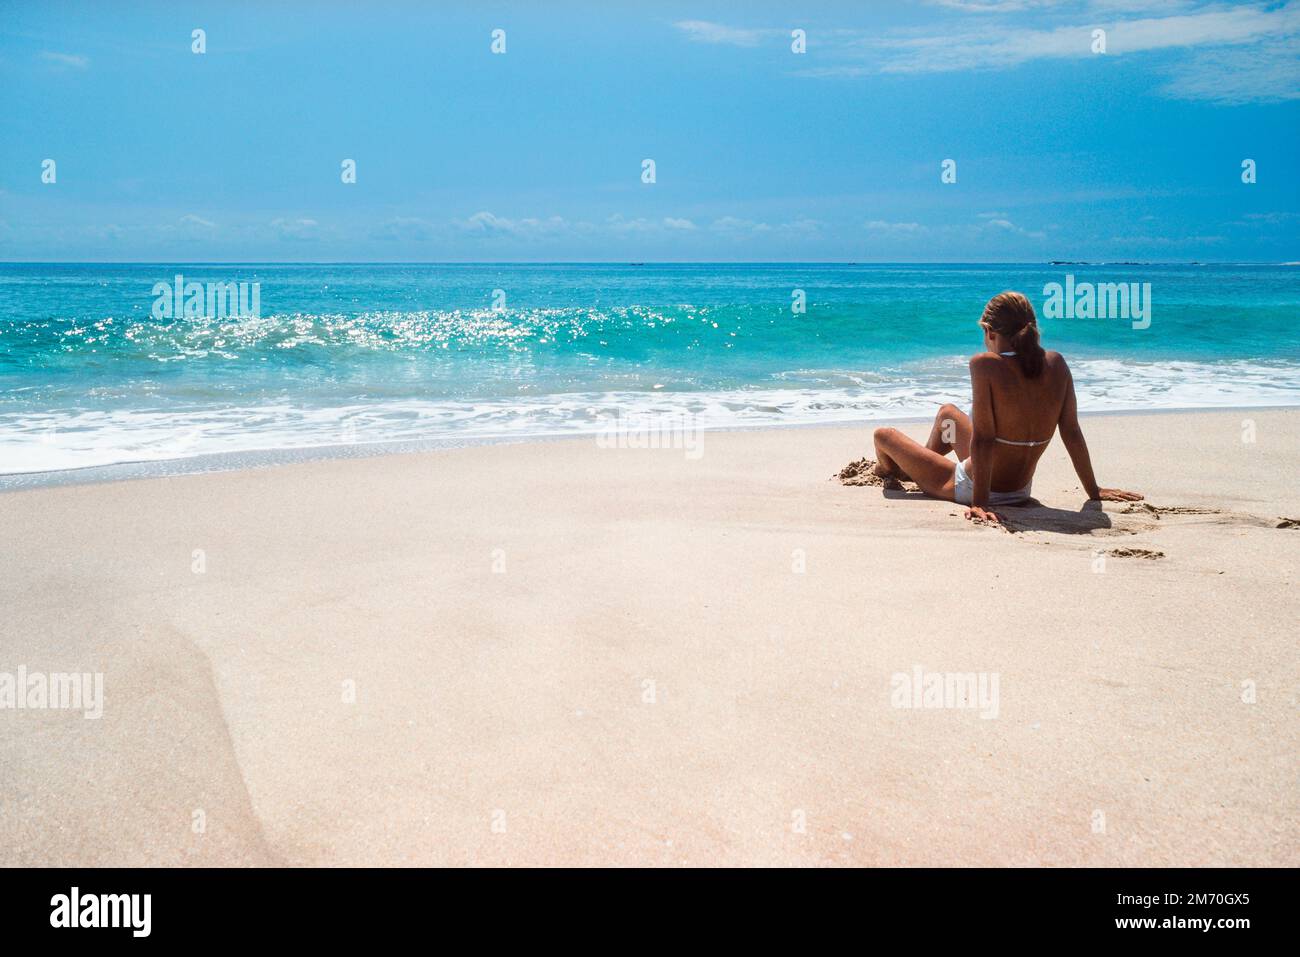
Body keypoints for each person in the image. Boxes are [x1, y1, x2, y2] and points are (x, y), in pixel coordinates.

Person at [871, 291, 1143, 525]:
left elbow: (986, 439)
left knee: (883, 435)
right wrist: (1093, 491)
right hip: (1021, 489)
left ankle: (893, 471)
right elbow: (1071, 432)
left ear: (989, 331)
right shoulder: (1057, 363)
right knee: (948, 415)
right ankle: (918, 468)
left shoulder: (985, 364)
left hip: (977, 486)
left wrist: (980, 503)